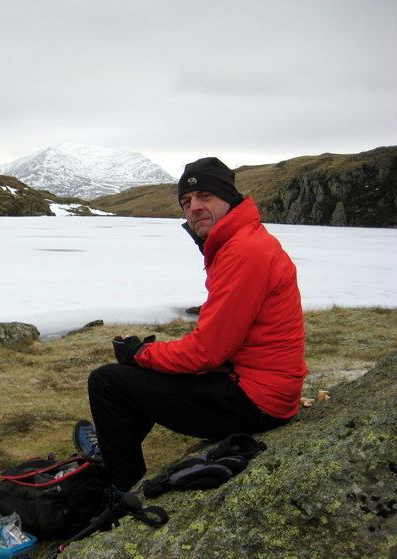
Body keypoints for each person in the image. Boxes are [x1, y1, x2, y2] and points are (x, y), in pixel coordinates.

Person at [74, 157, 306, 493]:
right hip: (256, 385)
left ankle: (118, 486)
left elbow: (207, 352)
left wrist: (140, 354)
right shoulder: (243, 242)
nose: (194, 207)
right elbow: (220, 343)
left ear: (229, 198)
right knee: (146, 376)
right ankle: (110, 452)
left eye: (205, 197)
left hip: (256, 401)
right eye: (186, 202)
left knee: (107, 382)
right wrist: (148, 358)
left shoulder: (244, 252)